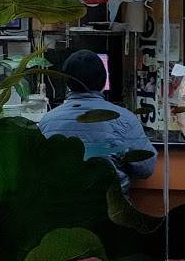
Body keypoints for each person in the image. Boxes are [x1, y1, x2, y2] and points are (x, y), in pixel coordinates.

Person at [39, 49, 156, 194]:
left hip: (62, 205)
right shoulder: (124, 119)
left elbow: (39, 170)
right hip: (110, 206)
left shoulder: (47, 121)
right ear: (103, 80)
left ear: (67, 81)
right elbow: (146, 168)